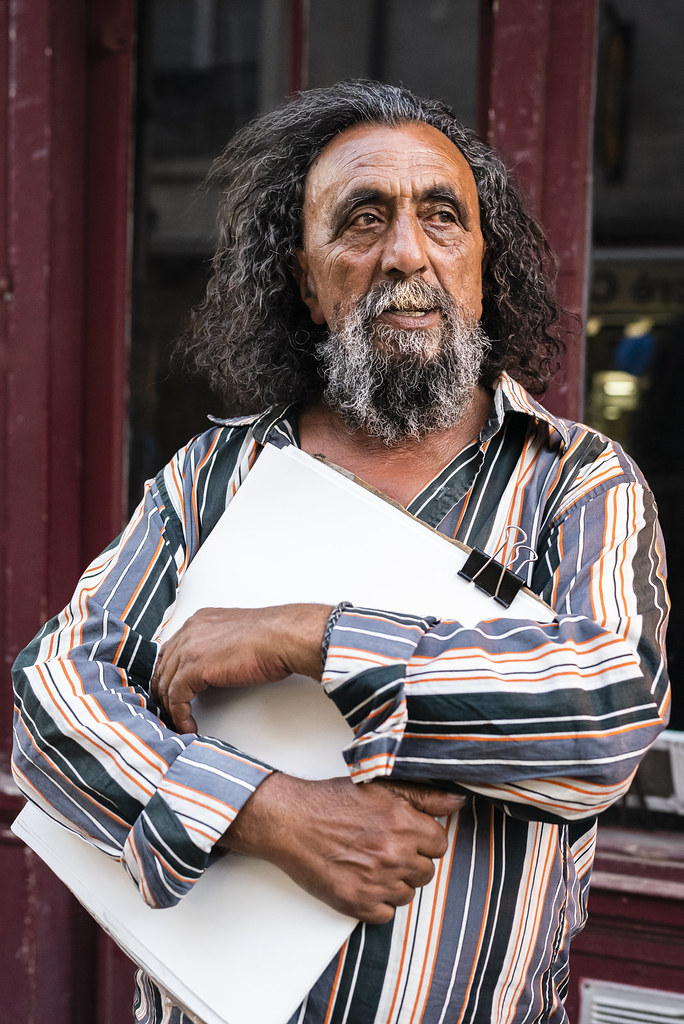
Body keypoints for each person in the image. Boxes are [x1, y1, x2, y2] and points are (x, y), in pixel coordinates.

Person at [12, 80, 670, 1024]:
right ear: (307, 280)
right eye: (362, 221)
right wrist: (264, 812)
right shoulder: (216, 474)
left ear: (483, 262)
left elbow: (607, 716)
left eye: (442, 216)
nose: (407, 252)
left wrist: (311, 636)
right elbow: (53, 702)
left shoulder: (577, 479)